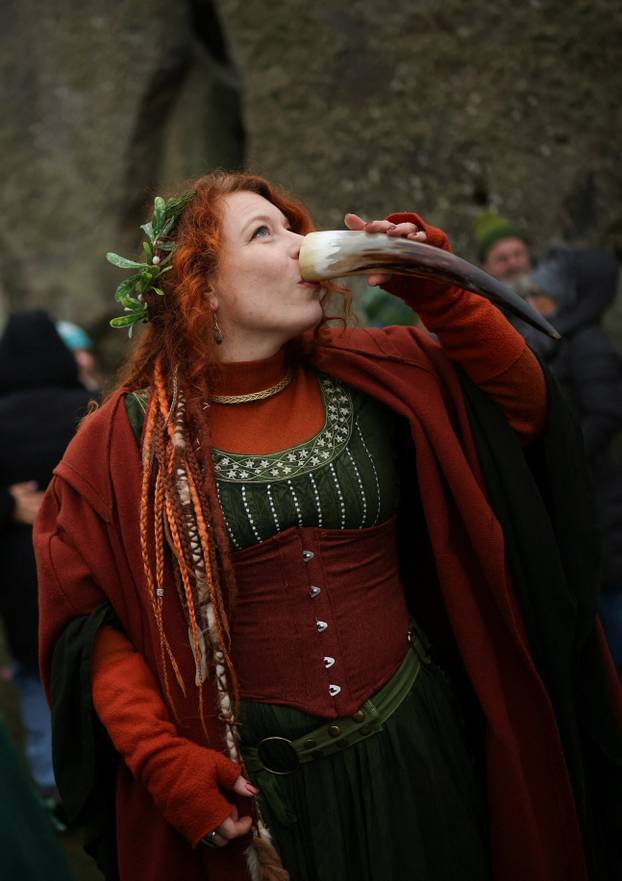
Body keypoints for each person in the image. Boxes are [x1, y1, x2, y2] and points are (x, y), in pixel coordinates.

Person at [34, 172, 622, 881]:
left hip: (417, 745)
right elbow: (88, 625)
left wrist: (430, 285)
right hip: (270, 789)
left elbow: (525, 408)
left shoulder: (378, 370)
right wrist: (164, 760)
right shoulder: (121, 443)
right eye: (264, 233)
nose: (300, 245)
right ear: (204, 286)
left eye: (294, 228)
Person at [0, 310, 93, 820]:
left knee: (36, 679)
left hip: (19, 573)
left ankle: (52, 788)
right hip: (85, 561)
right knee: (103, 666)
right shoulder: (89, 409)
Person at [519, 246, 622, 671]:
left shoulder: (588, 345)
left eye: (543, 292)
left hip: (603, 507)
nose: (535, 298)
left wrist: (563, 457)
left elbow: (606, 413)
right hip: (586, 505)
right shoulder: (560, 338)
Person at [474, 210, 531, 289]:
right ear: (485, 266)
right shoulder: (480, 300)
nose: (513, 263)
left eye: (518, 254)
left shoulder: (550, 290)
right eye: (502, 259)